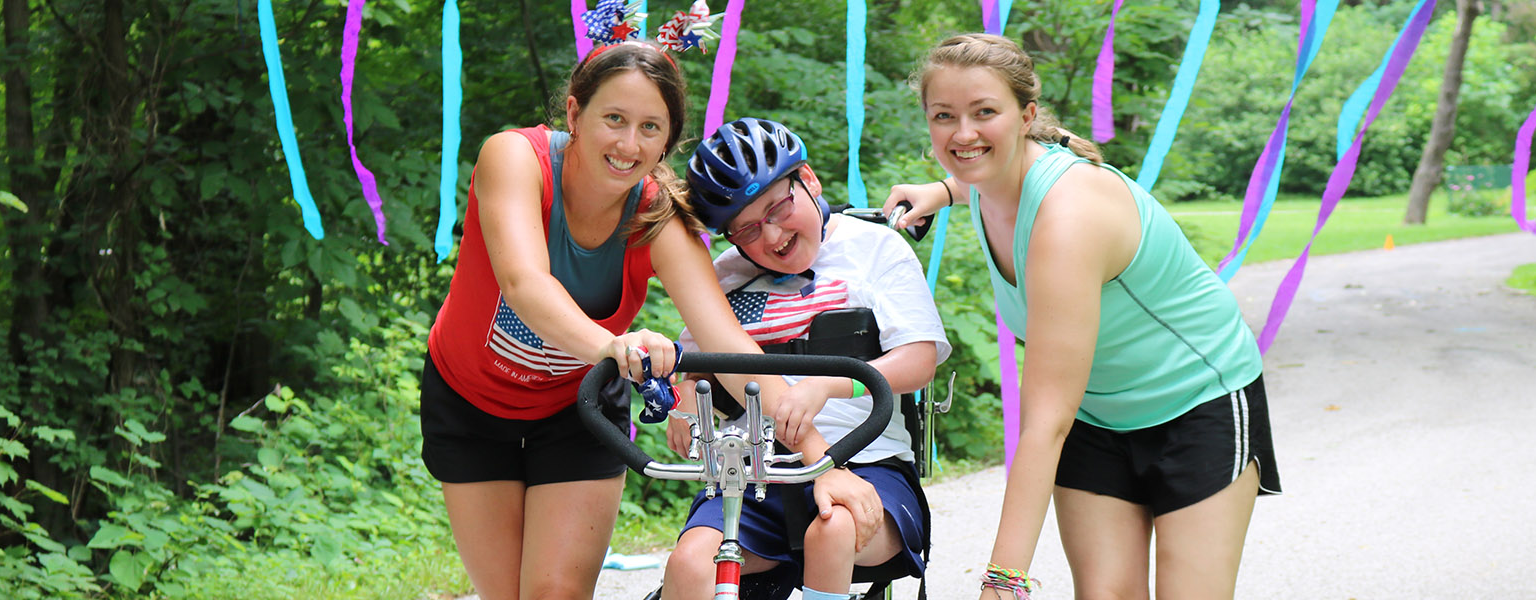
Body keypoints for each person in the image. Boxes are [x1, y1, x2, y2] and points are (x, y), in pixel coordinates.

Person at [885, 33, 1281, 600]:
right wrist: (942, 190)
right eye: (944, 116)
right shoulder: (986, 180)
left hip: (1198, 401)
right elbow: (977, 166)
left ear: (1027, 116)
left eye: (984, 112)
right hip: (1098, 416)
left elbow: (1045, 420)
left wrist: (1003, 581)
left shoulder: (1069, 217)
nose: (962, 133)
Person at [421, 41, 786, 600]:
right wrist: (612, 345)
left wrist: (817, 453)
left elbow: (726, 341)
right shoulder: (515, 158)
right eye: (613, 119)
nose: (628, 143)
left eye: (649, 127)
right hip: (470, 402)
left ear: (667, 140)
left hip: (578, 412)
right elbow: (524, 285)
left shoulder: (657, 212)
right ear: (574, 114)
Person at [657, 118, 951, 600]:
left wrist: (829, 384)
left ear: (809, 180)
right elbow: (696, 362)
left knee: (833, 529)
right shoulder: (726, 276)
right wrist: (685, 401)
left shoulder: (875, 249)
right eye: (747, 229)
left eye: (778, 208)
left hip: (866, 459)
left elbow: (919, 359)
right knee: (689, 564)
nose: (772, 236)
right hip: (756, 472)